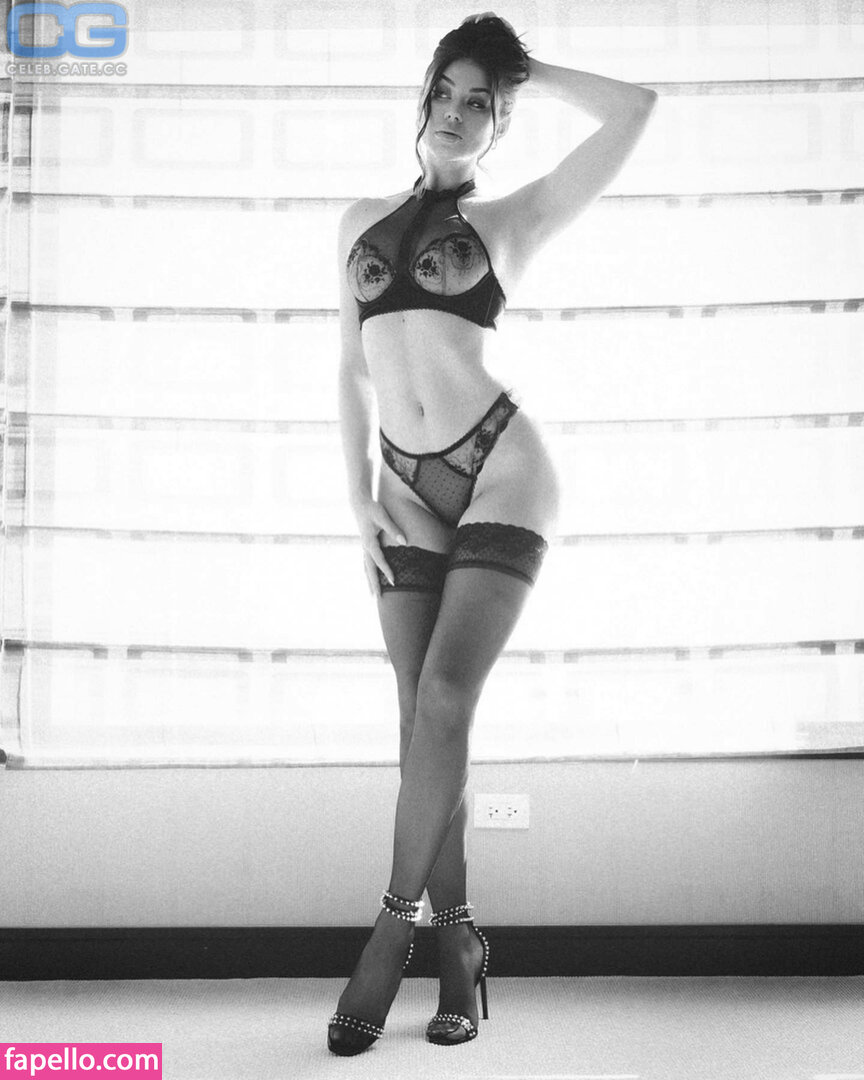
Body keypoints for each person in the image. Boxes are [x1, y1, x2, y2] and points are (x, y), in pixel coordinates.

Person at [328, 12, 657, 1055]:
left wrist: (530, 71)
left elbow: (637, 110)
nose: (461, 113)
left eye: (484, 104)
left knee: (445, 698)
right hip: (402, 487)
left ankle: (393, 931)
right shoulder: (357, 222)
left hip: (501, 467)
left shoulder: (514, 218)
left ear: (501, 122)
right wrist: (357, 498)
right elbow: (351, 369)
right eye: (451, 91)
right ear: (425, 95)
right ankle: (463, 944)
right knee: (419, 721)